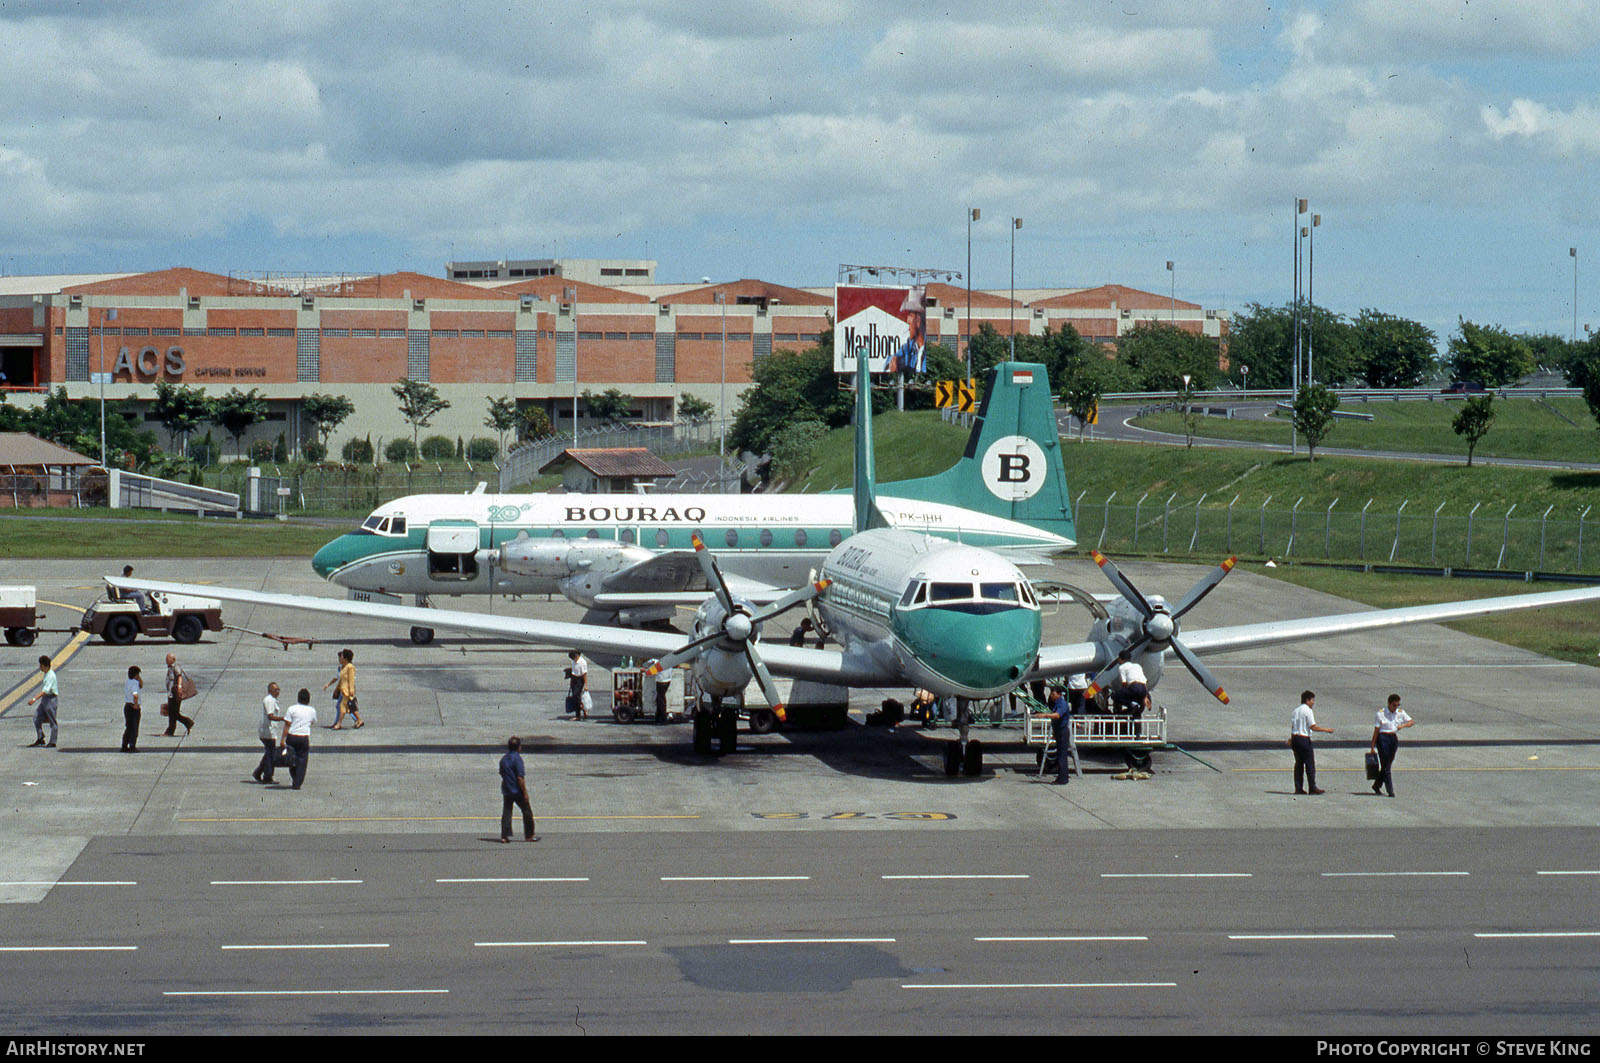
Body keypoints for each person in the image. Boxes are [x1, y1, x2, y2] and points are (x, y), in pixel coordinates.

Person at [1369, 693, 1415, 798]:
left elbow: (1411, 721)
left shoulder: (1400, 712)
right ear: (1389, 704)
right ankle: (1390, 791)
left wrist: (1403, 725)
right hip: (1382, 738)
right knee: (1386, 766)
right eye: (1394, 705)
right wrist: (1372, 746)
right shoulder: (1380, 713)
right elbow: (1376, 730)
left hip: (1393, 738)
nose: (1395, 707)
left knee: (1387, 764)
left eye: (1397, 705)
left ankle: (1377, 785)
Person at [1289, 690, 1332, 795]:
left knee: (1299, 764)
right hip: (1304, 739)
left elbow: (1293, 726)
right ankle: (1312, 787)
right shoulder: (1307, 710)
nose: (1313, 703)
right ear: (1307, 700)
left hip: (1295, 738)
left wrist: (1291, 739)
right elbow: (1312, 726)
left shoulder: (1295, 711)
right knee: (1310, 764)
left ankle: (1298, 788)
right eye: (1312, 700)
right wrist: (1326, 730)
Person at [1037, 684, 1081, 784]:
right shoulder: (1057, 703)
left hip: (1062, 731)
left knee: (1062, 755)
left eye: (1053, 694)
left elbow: (1057, 715)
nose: (1051, 696)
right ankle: (1062, 777)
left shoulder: (1062, 704)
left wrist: (1044, 715)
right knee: (1060, 755)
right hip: (1058, 731)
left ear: (1059, 694)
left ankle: (1063, 778)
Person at [498, 736, 538, 843]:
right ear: (518, 747)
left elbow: (502, 773)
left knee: (507, 812)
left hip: (506, 789)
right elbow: (520, 778)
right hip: (516, 790)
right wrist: (525, 793)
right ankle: (529, 834)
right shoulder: (517, 759)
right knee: (527, 811)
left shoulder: (504, 759)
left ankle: (504, 836)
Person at [282, 688, 317, 790]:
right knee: (302, 760)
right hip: (303, 737)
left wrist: (283, 739)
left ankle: (294, 777)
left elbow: (287, 724)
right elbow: (313, 721)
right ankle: (297, 782)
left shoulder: (291, 709)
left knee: (291, 758)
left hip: (292, 736)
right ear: (308, 700)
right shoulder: (312, 710)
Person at [253, 682, 286, 784]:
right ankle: (267, 776)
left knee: (269, 753)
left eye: (278, 689)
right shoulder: (269, 701)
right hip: (267, 732)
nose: (277, 692)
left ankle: (258, 772)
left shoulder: (273, 700)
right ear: (269, 690)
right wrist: (283, 719)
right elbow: (270, 716)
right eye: (275, 690)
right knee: (270, 754)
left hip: (271, 731)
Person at [322, 649, 361, 729]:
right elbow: (340, 679)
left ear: (346, 658)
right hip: (343, 690)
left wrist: (351, 691)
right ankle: (357, 720)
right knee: (344, 707)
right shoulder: (343, 667)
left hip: (347, 691)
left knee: (343, 707)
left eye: (342, 656)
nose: (340, 658)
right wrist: (337, 689)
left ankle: (339, 723)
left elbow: (351, 679)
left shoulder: (350, 667)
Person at [26, 655, 59, 748]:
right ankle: (40, 737)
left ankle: (53, 741)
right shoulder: (46, 674)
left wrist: (34, 699)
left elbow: (45, 690)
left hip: (51, 699)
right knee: (36, 717)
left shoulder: (51, 676)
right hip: (45, 699)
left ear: (46, 666)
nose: (40, 667)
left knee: (52, 720)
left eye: (41, 666)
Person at [161, 652, 194, 736]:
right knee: (173, 713)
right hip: (171, 693)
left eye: (168, 658)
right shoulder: (170, 668)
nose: (166, 660)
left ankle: (171, 731)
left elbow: (179, 676)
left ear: (173, 660)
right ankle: (187, 723)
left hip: (175, 693)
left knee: (173, 713)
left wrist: (179, 687)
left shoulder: (176, 667)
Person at [121, 665, 142, 753]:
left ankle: (124, 745)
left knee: (128, 727)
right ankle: (132, 745)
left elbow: (141, 685)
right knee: (134, 728)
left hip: (127, 706)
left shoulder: (128, 682)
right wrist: (136, 705)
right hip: (133, 707)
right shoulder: (134, 683)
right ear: (136, 675)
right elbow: (135, 694)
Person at [566, 650, 588, 719]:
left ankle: (579, 714)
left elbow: (584, 674)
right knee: (575, 697)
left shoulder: (582, 662)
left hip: (580, 680)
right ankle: (581, 710)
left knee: (576, 695)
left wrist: (586, 685)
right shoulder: (573, 661)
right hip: (574, 679)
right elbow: (573, 672)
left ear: (576, 656)